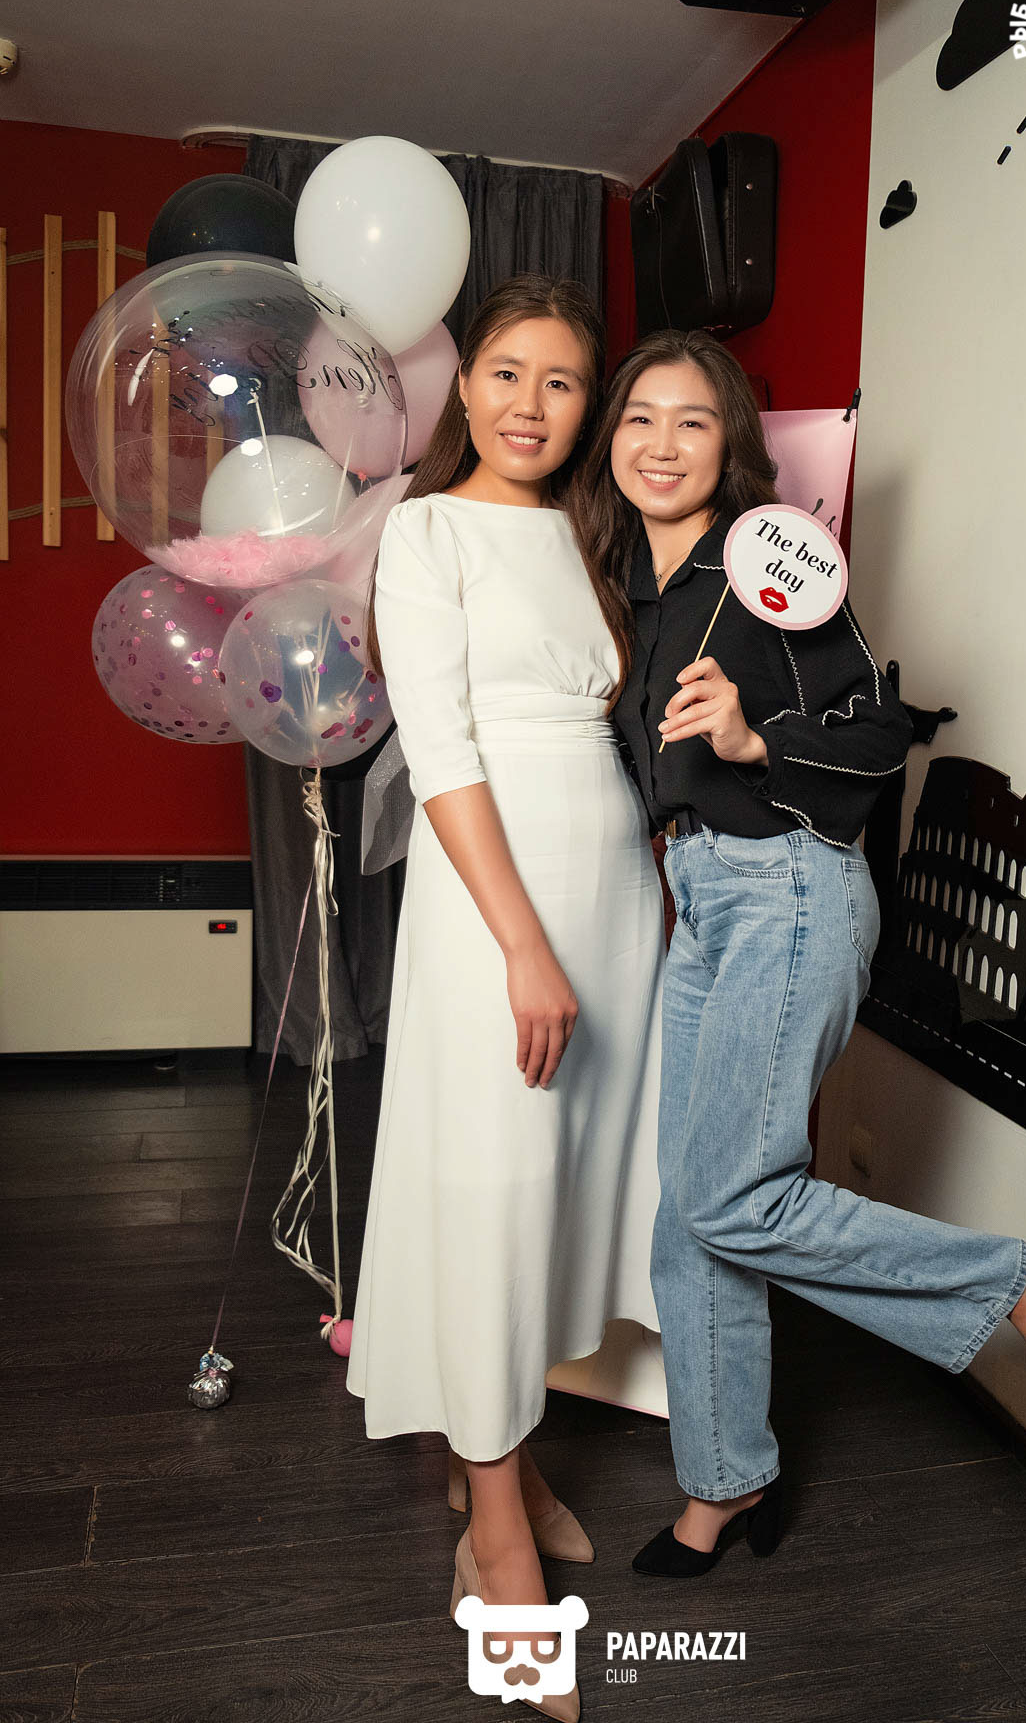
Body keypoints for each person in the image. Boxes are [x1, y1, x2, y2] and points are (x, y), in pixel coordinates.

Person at [572, 329, 1026, 1579]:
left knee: (731, 1196)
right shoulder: (631, 592)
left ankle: (1020, 1286)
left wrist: (755, 736)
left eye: (693, 421)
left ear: (729, 447)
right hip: (701, 901)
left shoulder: (767, 563)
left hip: (787, 886)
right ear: (611, 441)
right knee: (693, 1215)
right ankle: (725, 1483)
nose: (661, 443)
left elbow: (879, 734)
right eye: (640, 418)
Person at [346, 276, 664, 1718]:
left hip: (612, 902)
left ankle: (509, 1468)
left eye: (562, 381)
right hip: (499, 907)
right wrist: (525, 946)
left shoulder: (594, 539)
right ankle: (494, 1544)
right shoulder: (425, 533)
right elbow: (444, 750)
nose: (531, 404)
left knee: (558, 1195)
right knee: (492, 1188)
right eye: (507, 374)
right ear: (462, 389)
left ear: (587, 408)